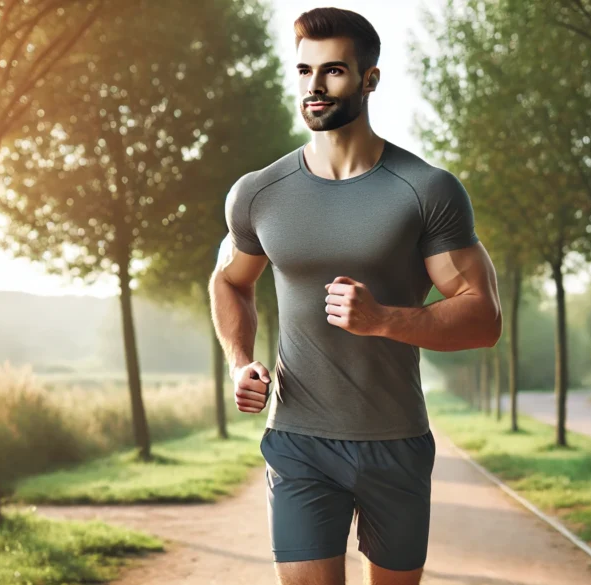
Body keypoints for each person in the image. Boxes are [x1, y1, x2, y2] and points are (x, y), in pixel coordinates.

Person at [208, 7, 502, 585]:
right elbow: (230, 280)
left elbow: (483, 317)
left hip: (394, 441)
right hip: (297, 440)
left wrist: (385, 319)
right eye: (304, 71)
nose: (314, 86)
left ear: (370, 79)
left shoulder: (425, 190)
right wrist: (240, 363)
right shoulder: (258, 194)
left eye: (334, 71)